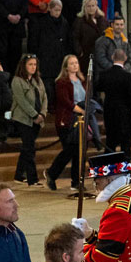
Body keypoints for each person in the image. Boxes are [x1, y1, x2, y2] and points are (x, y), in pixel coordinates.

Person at [45, 54, 87, 191]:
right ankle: (52, 173)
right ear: (66, 67)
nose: (75, 65)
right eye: (71, 63)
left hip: (80, 120)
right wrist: (79, 110)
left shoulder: (82, 80)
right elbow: (65, 101)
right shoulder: (62, 82)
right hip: (66, 120)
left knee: (79, 152)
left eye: (76, 63)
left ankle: (76, 182)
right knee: (70, 150)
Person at [10, 54, 48, 187]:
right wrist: (34, 115)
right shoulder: (17, 81)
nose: (33, 67)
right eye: (30, 64)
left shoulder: (38, 80)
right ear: (24, 66)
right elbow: (22, 101)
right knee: (29, 148)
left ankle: (19, 175)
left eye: (34, 64)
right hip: (23, 119)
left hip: (38, 118)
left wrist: (42, 114)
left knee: (27, 148)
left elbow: (44, 97)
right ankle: (33, 179)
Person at [30, 0, 71, 106]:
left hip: (59, 57)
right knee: (47, 83)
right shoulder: (41, 22)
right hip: (45, 57)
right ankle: (48, 105)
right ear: (50, 9)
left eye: (59, 10)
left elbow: (67, 40)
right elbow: (35, 40)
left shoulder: (64, 22)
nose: (57, 13)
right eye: (55, 10)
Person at [97, 48, 131, 158]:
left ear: (112, 57)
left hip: (109, 113)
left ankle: (109, 171)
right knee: (125, 144)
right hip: (125, 114)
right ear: (125, 58)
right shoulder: (128, 77)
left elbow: (98, 88)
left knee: (110, 143)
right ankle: (125, 171)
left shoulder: (104, 75)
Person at [93, 15, 131, 82]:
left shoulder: (125, 41)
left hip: (120, 76)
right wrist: (115, 69)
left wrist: (124, 69)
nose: (119, 27)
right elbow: (100, 58)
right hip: (105, 76)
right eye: (117, 24)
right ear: (112, 25)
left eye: (121, 24)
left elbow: (129, 58)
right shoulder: (102, 40)